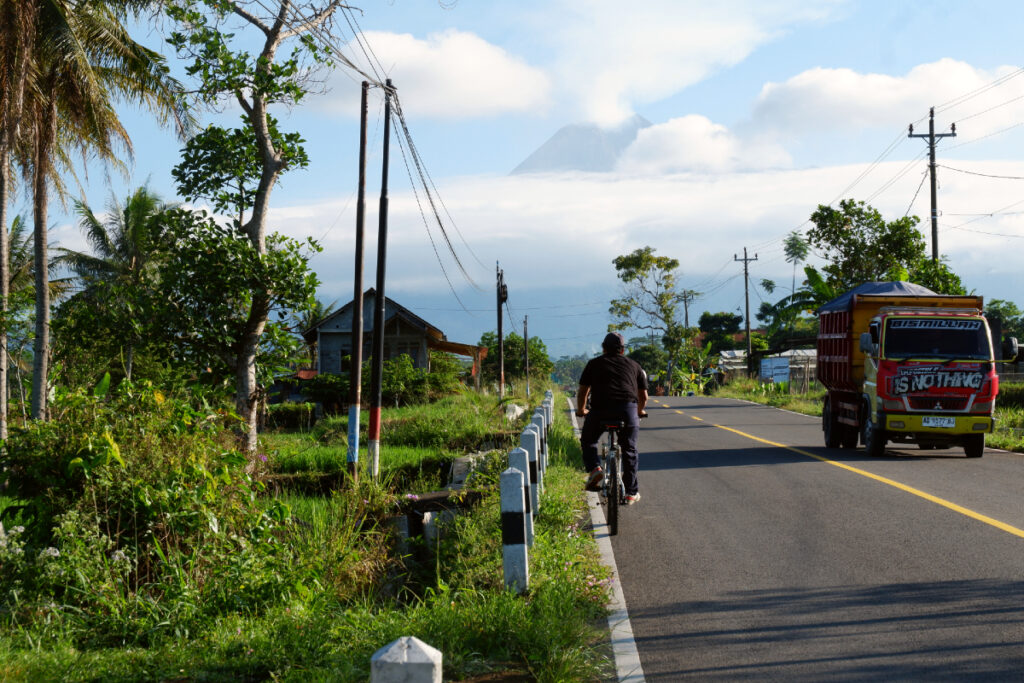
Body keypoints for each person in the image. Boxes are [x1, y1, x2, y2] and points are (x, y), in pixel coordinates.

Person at [575, 332, 648, 504]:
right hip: (627, 410)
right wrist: (640, 411)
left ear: (603, 348)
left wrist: (581, 410)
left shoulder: (593, 364)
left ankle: (595, 468)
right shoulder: (635, 365)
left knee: (588, 440)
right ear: (622, 350)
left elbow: (583, 392)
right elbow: (643, 396)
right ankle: (631, 492)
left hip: (600, 410)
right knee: (629, 450)